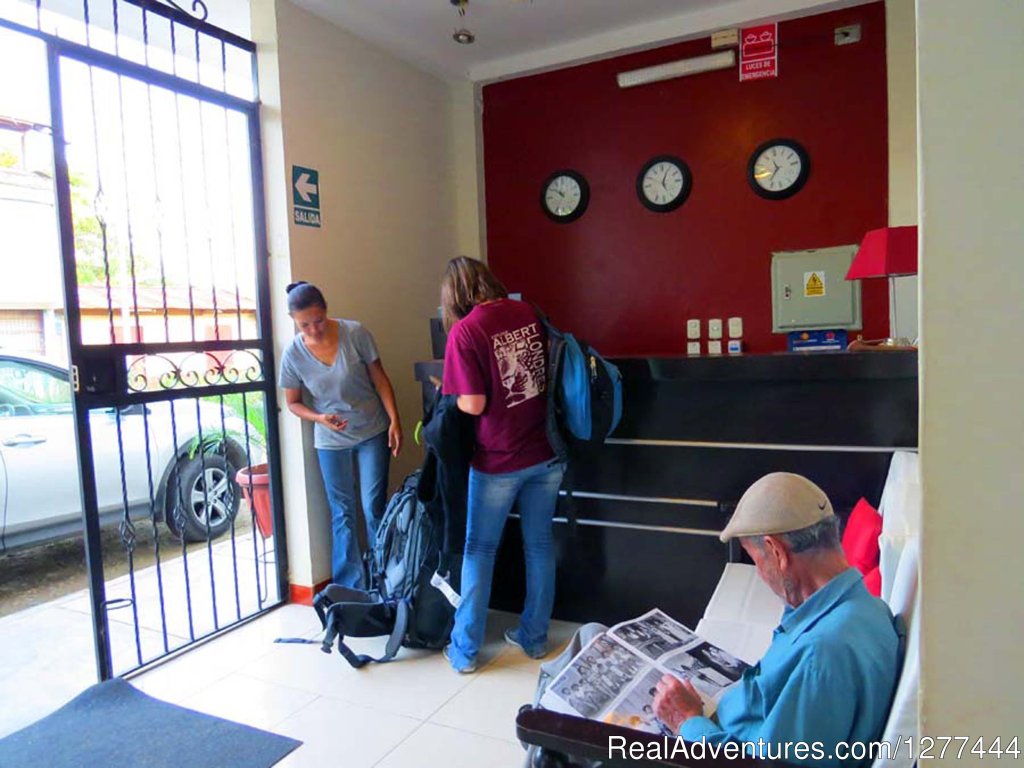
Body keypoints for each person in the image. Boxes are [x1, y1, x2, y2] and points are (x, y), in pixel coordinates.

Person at [653, 472, 899, 767]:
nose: (760, 574)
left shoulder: (821, 654)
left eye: (756, 560)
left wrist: (688, 723)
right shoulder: (869, 609)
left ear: (776, 551)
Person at [438, 256, 565, 674]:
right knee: (540, 544)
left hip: (498, 460)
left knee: (479, 550)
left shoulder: (466, 330)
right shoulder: (526, 311)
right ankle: (534, 637)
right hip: (545, 453)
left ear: (453, 295)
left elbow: (472, 403)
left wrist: (449, 391)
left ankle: (465, 650)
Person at [278, 281, 402, 588]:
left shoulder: (354, 333)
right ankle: (351, 586)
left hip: (371, 429)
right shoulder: (293, 354)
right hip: (330, 439)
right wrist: (319, 417)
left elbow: (381, 380)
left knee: (373, 507)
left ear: (326, 311)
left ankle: (384, 579)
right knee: (342, 512)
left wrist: (395, 420)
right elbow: (292, 403)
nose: (314, 329)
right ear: (294, 321)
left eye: (318, 320)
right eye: (304, 325)